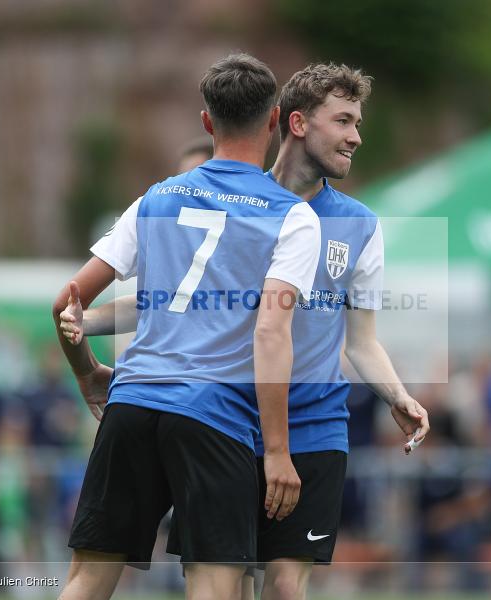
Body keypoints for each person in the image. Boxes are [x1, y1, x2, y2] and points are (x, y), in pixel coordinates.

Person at [61, 63, 431, 600]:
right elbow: (181, 302)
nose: (357, 135)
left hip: (307, 423)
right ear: (296, 123)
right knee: (224, 586)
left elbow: (361, 340)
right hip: (228, 415)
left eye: (358, 122)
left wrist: (397, 395)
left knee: (282, 586)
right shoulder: (246, 204)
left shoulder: (359, 225)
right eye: (345, 120)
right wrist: (90, 321)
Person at [54, 53, 321, 600]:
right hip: (213, 416)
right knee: (216, 586)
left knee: (85, 581)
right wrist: (277, 451)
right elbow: (272, 332)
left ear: (206, 122)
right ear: (274, 119)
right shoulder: (292, 216)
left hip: (131, 405)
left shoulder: (156, 197)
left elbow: (68, 302)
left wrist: (86, 373)